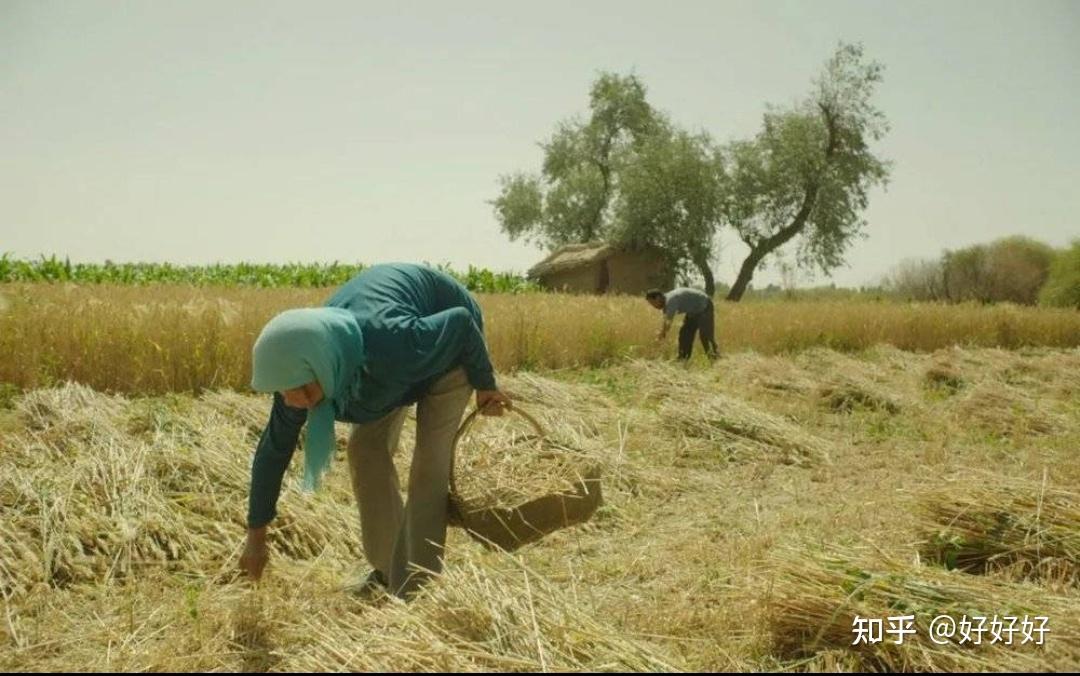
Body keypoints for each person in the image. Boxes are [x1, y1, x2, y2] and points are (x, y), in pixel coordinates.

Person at [239, 263, 511, 599]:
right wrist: (256, 540)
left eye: (299, 387)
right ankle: (388, 571)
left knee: (428, 466)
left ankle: (418, 587)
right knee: (365, 451)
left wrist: (486, 385)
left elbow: (460, 323)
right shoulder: (301, 375)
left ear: (322, 362)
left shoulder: (393, 341)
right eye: (283, 390)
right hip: (381, 374)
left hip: (447, 349)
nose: (294, 400)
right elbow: (273, 453)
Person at [645, 287, 719, 361]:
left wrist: (661, 335)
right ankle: (683, 359)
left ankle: (715, 359)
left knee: (705, 335)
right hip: (693, 311)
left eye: (653, 303)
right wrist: (662, 333)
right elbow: (665, 321)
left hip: (705, 305)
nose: (653, 306)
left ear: (658, 298)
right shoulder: (665, 302)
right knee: (685, 334)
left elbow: (667, 323)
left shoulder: (671, 301)